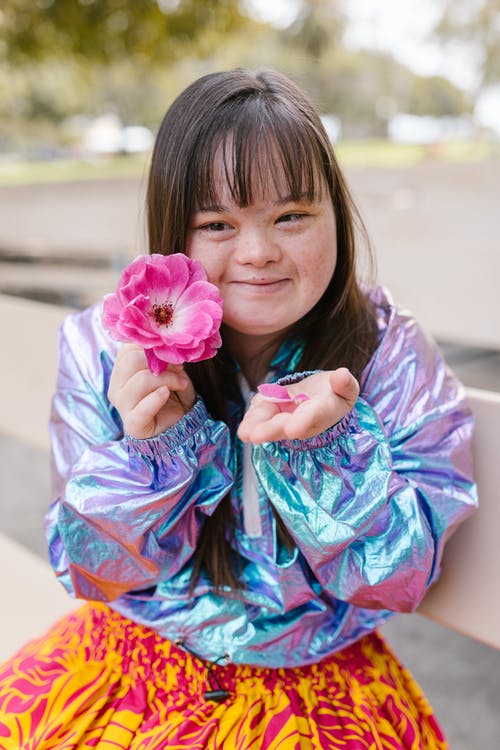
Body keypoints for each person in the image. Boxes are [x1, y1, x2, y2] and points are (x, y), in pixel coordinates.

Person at [0, 68, 476, 749]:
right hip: (129, 672)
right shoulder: (110, 349)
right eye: (216, 223)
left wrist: (326, 453)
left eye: (291, 215)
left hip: (319, 687)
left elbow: (396, 580)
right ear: (172, 232)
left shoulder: (385, 350)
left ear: (337, 215)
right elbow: (88, 569)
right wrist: (155, 456)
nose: (257, 252)